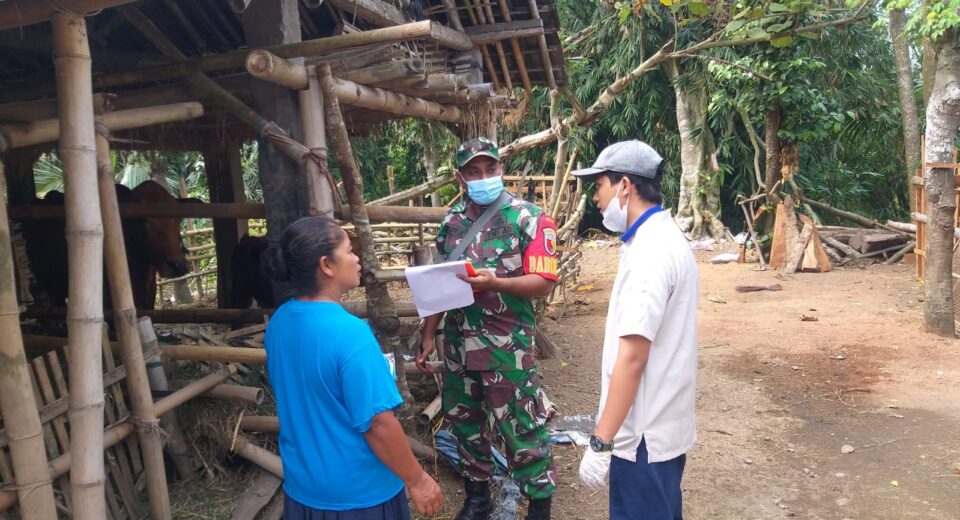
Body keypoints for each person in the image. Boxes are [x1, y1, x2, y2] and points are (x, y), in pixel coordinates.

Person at [416, 137, 559, 520]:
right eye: (474, 171)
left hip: (507, 347)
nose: (484, 177)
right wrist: (430, 334)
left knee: (522, 428)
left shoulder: (528, 217)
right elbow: (439, 284)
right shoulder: (451, 222)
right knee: (465, 424)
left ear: (500, 168)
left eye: (490, 169)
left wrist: (497, 283)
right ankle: (477, 498)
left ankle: (539, 506)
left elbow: (545, 281)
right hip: (459, 346)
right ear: (461, 176)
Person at [264, 216, 443, 520]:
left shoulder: (280, 321)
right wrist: (418, 479)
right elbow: (377, 423)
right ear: (327, 265)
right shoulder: (350, 333)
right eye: (349, 251)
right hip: (359, 496)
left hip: (303, 487)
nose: (357, 258)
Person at [573, 141, 699, 520]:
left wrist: (601, 441)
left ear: (625, 186)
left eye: (599, 186)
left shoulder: (651, 253)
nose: (595, 197)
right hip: (662, 425)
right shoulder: (659, 238)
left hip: (643, 435)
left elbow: (632, 358)